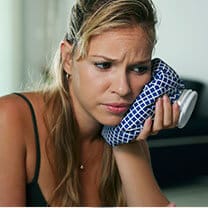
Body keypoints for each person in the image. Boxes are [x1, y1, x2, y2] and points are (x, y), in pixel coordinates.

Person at [0, 0, 179, 206]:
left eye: (139, 69)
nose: (123, 88)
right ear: (68, 59)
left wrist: (125, 143)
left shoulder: (129, 136)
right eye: (104, 65)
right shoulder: (10, 119)